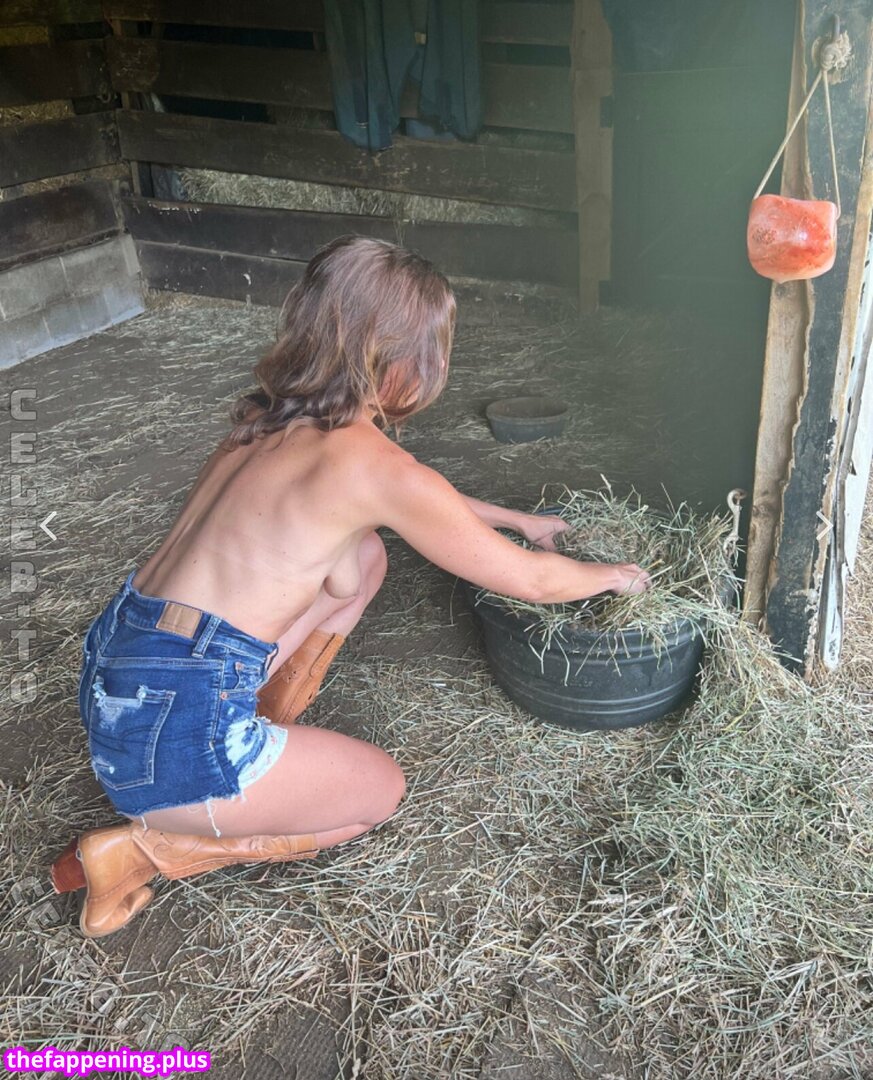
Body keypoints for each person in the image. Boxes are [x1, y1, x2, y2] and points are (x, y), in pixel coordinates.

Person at [50, 236, 651, 938]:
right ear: (407, 361)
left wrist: (518, 519)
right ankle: (143, 852)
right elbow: (532, 580)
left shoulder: (264, 419)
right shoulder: (371, 467)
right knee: (377, 794)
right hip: (175, 739)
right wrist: (616, 576)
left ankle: (258, 738)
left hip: (119, 674)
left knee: (362, 555)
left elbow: (415, 497)